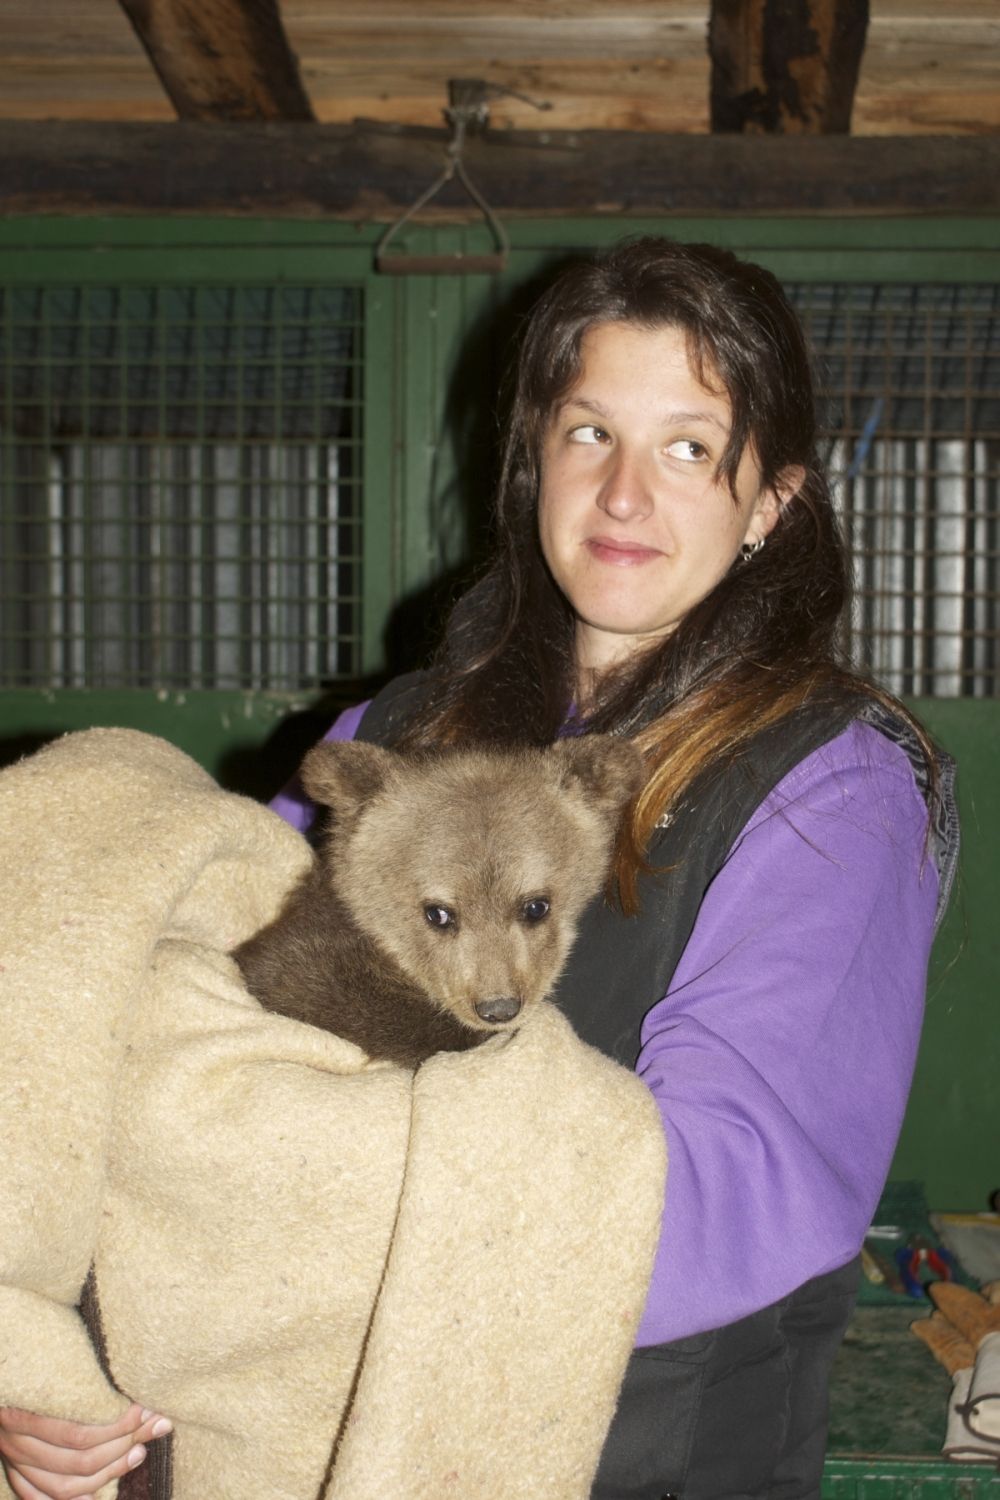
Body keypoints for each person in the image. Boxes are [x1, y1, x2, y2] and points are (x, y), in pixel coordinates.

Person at [1, 237, 955, 1500]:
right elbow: (192, 1013)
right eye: (587, 433)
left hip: (622, 1447)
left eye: (686, 447)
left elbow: (723, 1196)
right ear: (534, 461)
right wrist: (81, 1340)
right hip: (293, 1421)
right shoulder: (398, 731)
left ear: (769, 501)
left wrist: (258, 1205)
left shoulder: (830, 784)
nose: (622, 496)